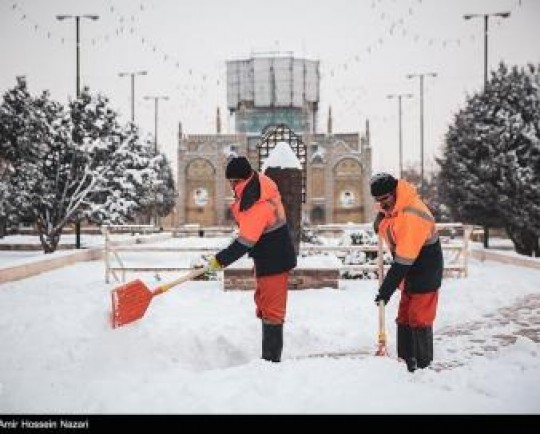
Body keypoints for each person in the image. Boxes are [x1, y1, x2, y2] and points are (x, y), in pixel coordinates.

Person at [205, 156, 297, 362]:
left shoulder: (256, 202)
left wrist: (219, 261)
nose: (231, 185)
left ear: (240, 180)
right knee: (265, 306)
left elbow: (245, 241)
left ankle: (271, 363)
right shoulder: (257, 186)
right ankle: (268, 360)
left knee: (272, 312)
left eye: (233, 181)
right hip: (268, 257)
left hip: (274, 260)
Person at [370, 172, 443, 372]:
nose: (382, 205)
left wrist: (386, 290)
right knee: (404, 317)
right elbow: (391, 226)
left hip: (425, 272)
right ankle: (405, 363)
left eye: (384, 199)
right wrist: (381, 221)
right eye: (377, 201)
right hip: (410, 272)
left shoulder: (412, 214)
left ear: (395, 193)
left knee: (419, 318)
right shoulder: (395, 209)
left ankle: (423, 366)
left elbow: (403, 261)